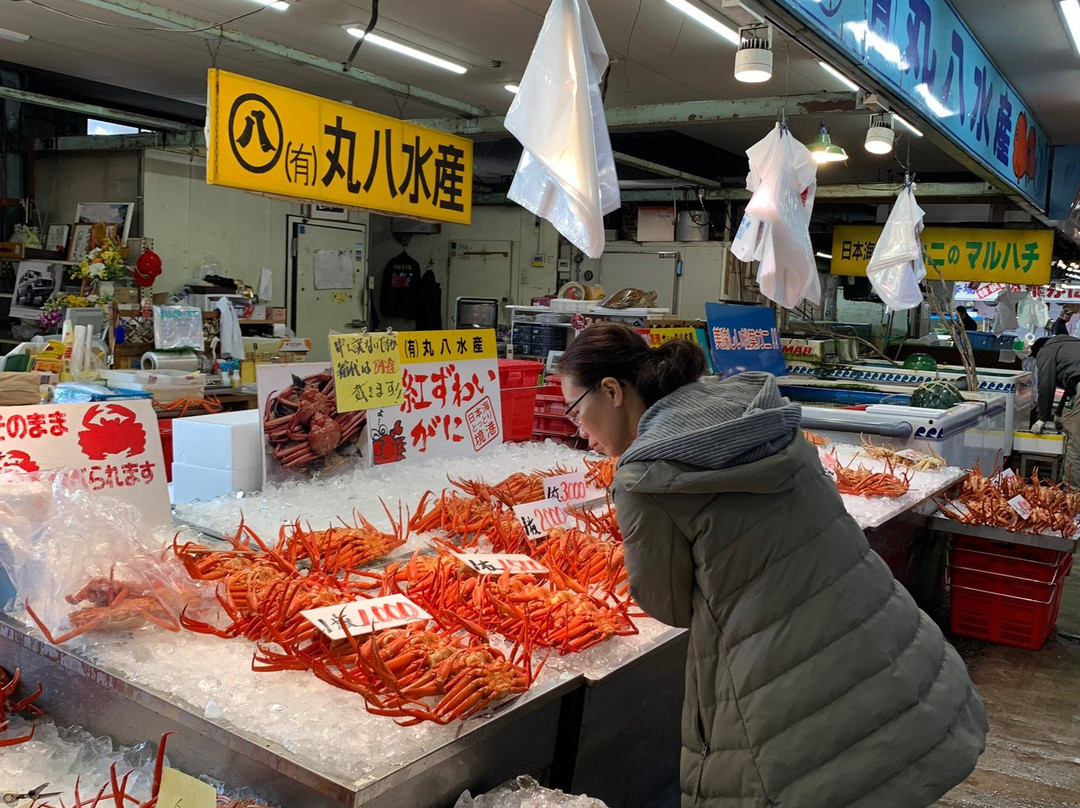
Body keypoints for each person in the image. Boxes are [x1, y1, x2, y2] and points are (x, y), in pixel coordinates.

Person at [556, 321, 987, 808]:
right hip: (890, 654)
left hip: (790, 695)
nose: (581, 433)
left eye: (575, 412)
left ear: (611, 391)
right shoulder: (758, 413)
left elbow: (670, 605)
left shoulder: (643, 478)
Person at [1030, 335, 1080, 484]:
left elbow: (1046, 385)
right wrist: (1059, 413)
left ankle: (1072, 496)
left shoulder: (1046, 350)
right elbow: (1071, 384)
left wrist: (1042, 418)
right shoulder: (1071, 344)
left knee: (1075, 445)